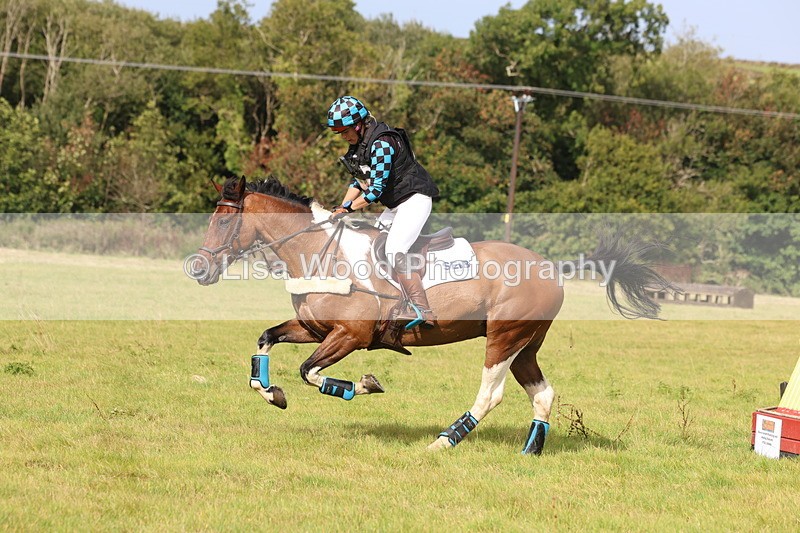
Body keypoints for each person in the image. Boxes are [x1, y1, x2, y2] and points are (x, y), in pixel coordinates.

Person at [327, 95, 440, 329]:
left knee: (394, 249)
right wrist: (340, 206)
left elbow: (375, 190)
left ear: (359, 125)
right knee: (371, 245)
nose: (344, 136)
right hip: (396, 205)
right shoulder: (358, 148)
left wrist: (348, 209)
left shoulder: (382, 143)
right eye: (340, 133)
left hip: (414, 200)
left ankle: (422, 309)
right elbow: (358, 184)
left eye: (346, 131)